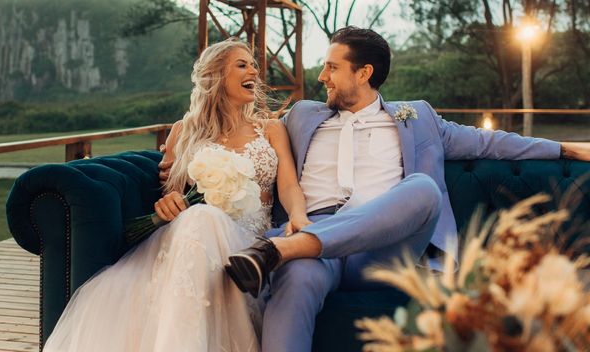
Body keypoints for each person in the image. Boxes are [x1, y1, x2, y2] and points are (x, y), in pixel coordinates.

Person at [221, 26, 590, 352]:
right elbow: (246, 135)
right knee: (296, 276)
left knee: (423, 189)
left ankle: (279, 250)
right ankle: (288, 252)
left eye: (332, 67)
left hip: (383, 250)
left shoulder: (418, 118)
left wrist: (566, 148)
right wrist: (185, 153)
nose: (322, 77)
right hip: (314, 246)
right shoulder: (303, 115)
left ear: (364, 73)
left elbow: (489, 143)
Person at [44, 38, 304, 352]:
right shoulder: (183, 131)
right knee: (200, 216)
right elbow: (173, 196)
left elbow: (289, 187)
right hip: (193, 236)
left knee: (202, 217)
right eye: (242, 64)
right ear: (216, 76)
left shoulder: (271, 129)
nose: (254, 70)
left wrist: (299, 217)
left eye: (253, 65)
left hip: (248, 243)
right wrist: (168, 204)